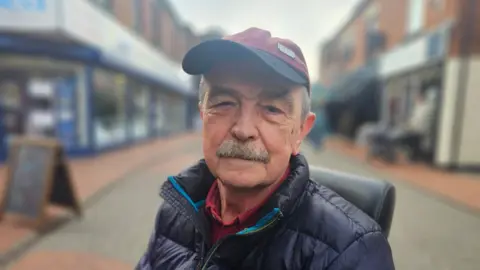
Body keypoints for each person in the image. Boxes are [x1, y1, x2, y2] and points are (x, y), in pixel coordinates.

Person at [136, 27, 395, 270]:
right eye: (224, 103)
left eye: (272, 109)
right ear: (203, 115)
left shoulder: (352, 253)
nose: (243, 129)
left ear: (302, 131)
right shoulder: (174, 212)